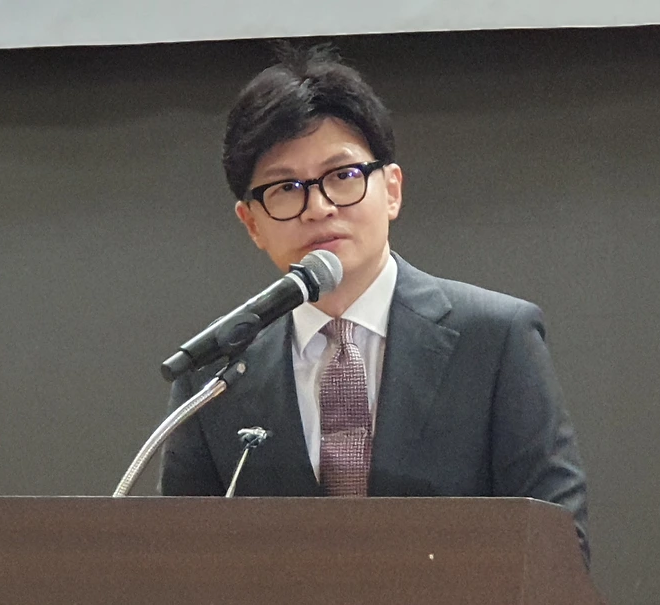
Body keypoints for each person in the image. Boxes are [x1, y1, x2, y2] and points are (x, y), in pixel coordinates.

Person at [159, 43, 590, 561]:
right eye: (285, 188)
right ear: (252, 223)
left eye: (342, 176)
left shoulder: (495, 339)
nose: (318, 207)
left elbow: (556, 546)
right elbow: (179, 560)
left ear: (391, 190)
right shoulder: (216, 374)